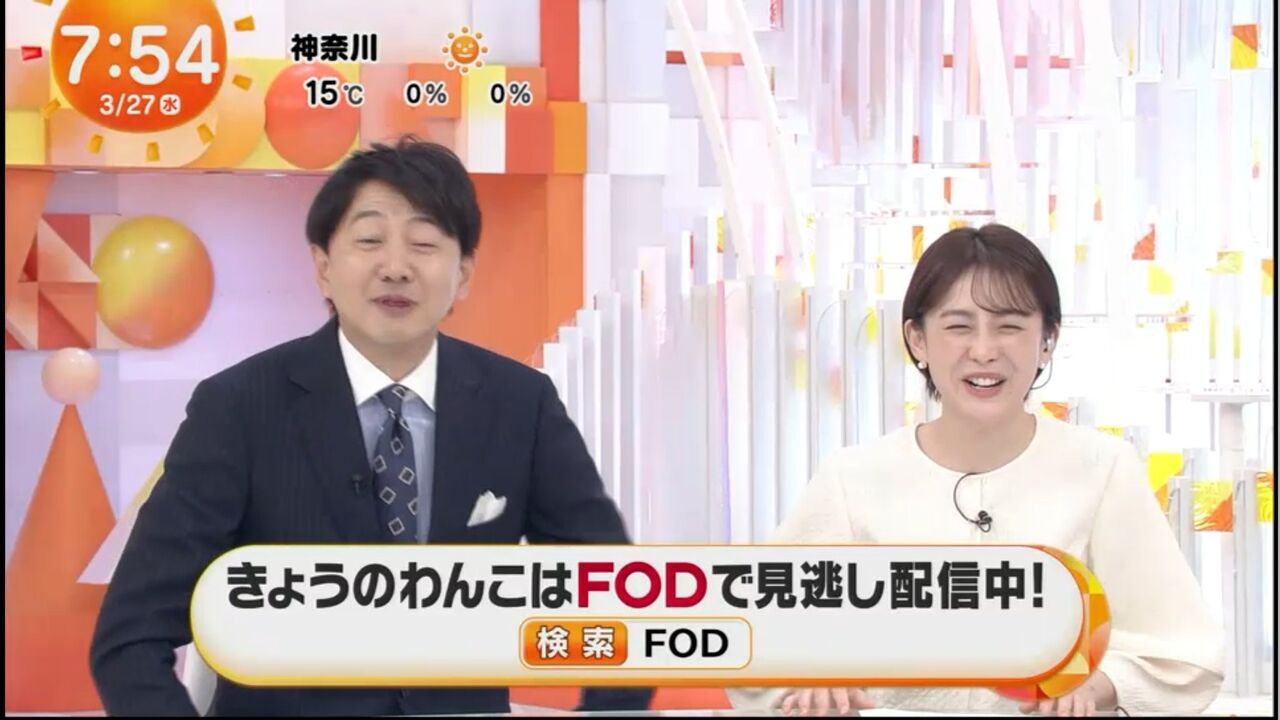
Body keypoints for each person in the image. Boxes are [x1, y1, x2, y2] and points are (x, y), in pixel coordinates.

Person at [90, 137, 653, 716]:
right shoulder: (238, 408)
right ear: (323, 267)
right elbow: (131, 638)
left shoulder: (520, 404)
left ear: (463, 275)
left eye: (424, 244)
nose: (396, 267)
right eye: (369, 240)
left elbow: (618, 603)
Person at [729, 224, 1224, 716]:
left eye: (1009, 326)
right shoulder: (851, 479)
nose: (984, 350)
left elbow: (1181, 653)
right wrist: (810, 680)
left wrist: (1095, 687)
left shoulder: (1103, 469)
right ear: (917, 339)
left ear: (1047, 340)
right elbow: (750, 639)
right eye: (959, 326)